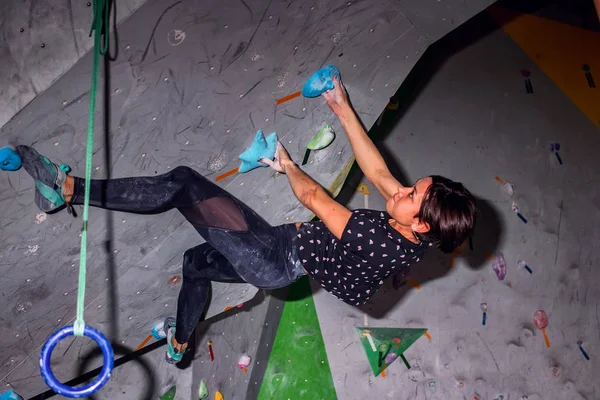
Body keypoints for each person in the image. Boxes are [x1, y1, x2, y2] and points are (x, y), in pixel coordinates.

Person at [10, 77, 476, 364]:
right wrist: (340, 106)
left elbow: (314, 197)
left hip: (273, 254)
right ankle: (180, 343)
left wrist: (285, 162)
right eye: (417, 185)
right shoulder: (414, 226)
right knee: (195, 263)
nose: (403, 188)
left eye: (413, 195)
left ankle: (67, 190)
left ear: (422, 227)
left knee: (185, 183)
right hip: (279, 260)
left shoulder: (382, 244)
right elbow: (378, 173)